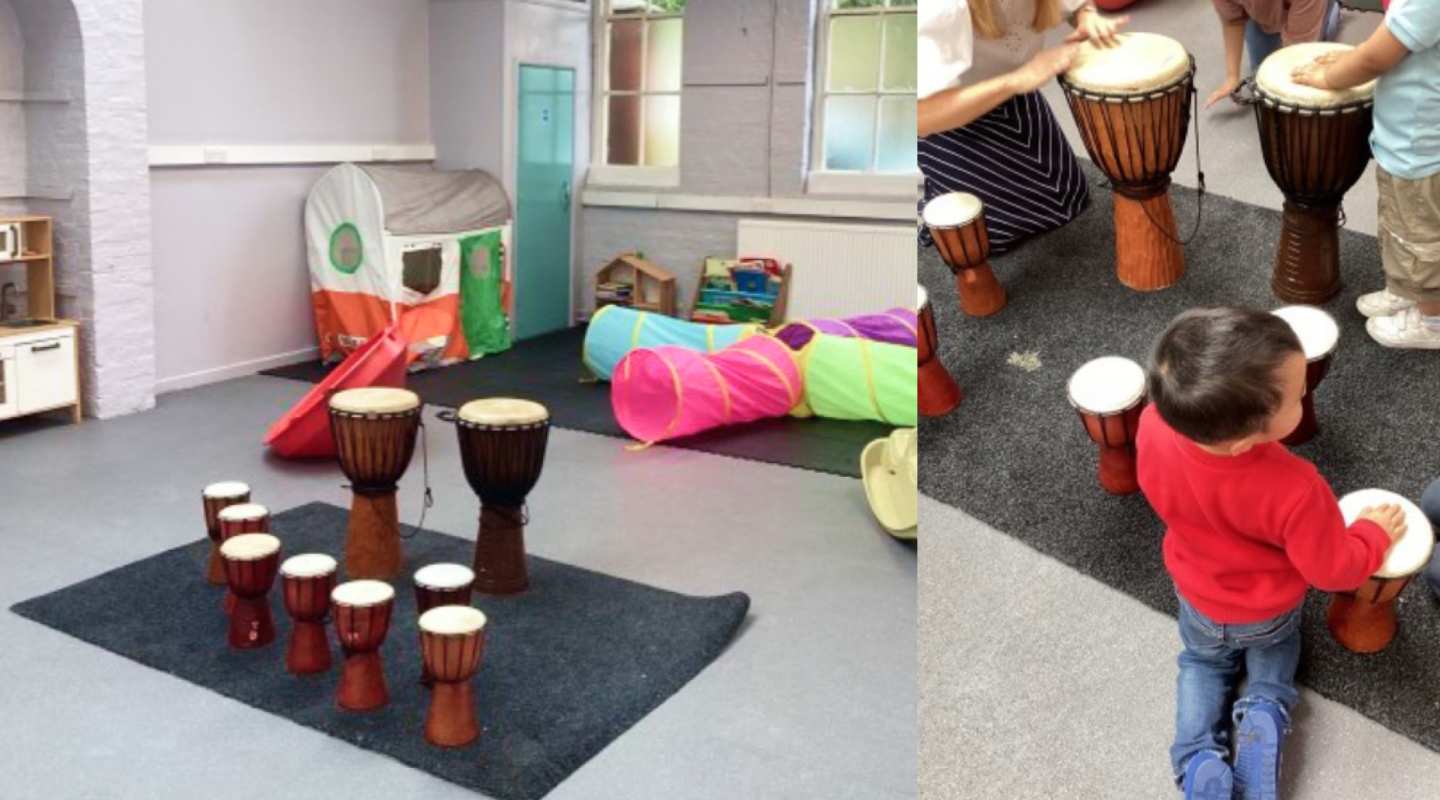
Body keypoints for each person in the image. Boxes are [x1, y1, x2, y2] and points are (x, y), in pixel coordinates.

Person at [1135, 307, 1405, 799]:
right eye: (1298, 396)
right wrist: (1371, 534)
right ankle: (1264, 708)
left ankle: (1198, 759)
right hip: (1266, 610)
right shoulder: (1297, 487)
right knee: (1277, 648)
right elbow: (1331, 569)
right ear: (1242, 443)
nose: (1304, 395)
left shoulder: (1152, 422)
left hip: (1196, 594)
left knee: (1201, 664)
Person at [917, 1, 1125, 254]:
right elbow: (922, 116)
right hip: (949, 118)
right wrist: (1017, 80)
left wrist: (1088, 17)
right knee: (993, 234)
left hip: (1015, 94)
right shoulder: (941, 9)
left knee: (1067, 197)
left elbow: (1076, 5)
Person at [1292, 0, 1440, 348]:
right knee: (1401, 227)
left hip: (1420, 146)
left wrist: (1328, 76)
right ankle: (1408, 291)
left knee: (1419, 240)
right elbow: (1397, 40)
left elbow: (1377, 58)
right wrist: (1353, 55)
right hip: (1409, 140)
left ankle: (1432, 320)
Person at [1205, 0, 1342, 108]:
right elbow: (1232, 21)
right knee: (1261, 77)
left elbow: (1296, 51)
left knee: (1300, 72)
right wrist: (1232, 77)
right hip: (1264, 14)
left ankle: (1333, 8)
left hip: (1304, 6)